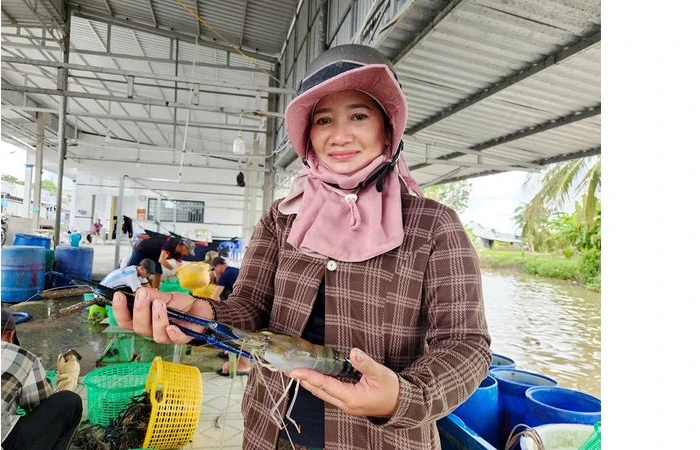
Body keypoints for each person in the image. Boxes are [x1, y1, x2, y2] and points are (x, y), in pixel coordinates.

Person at [112, 44, 490, 450]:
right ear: (308, 136)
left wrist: (403, 396)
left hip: (383, 439)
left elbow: (466, 342)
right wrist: (201, 313)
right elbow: (250, 308)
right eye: (323, 119)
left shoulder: (433, 225)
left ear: (388, 128)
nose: (339, 135)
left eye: (359, 116)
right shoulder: (282, 218)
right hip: (270, 429)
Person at [1, 309, 82, 450]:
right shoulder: (23, 357)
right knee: (70, 402)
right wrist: (67, 379)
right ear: (10, 334)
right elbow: (45, 411)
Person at [208, 256, 250, 377]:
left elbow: (215, 296)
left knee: (242, 334)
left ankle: (243, 366)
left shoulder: (226, 274)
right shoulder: (233, 271)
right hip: (241, 306)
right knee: (235, 332)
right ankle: (230, 350)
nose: (215, 272)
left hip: (240, 309)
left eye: (214, 269)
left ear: (219, 266)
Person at [126, 235, 195, 288]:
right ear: (185, 246)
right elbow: (162, 260)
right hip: (143, 250)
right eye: (188, 251)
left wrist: (183, 275)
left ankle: (155, 290)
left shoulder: (178, 253)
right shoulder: (171, 243)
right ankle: (123, 285)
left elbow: (180, 266)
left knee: (158, 272)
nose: (187, 254)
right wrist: (173, 270)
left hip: (155, 255)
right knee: (130, 269)